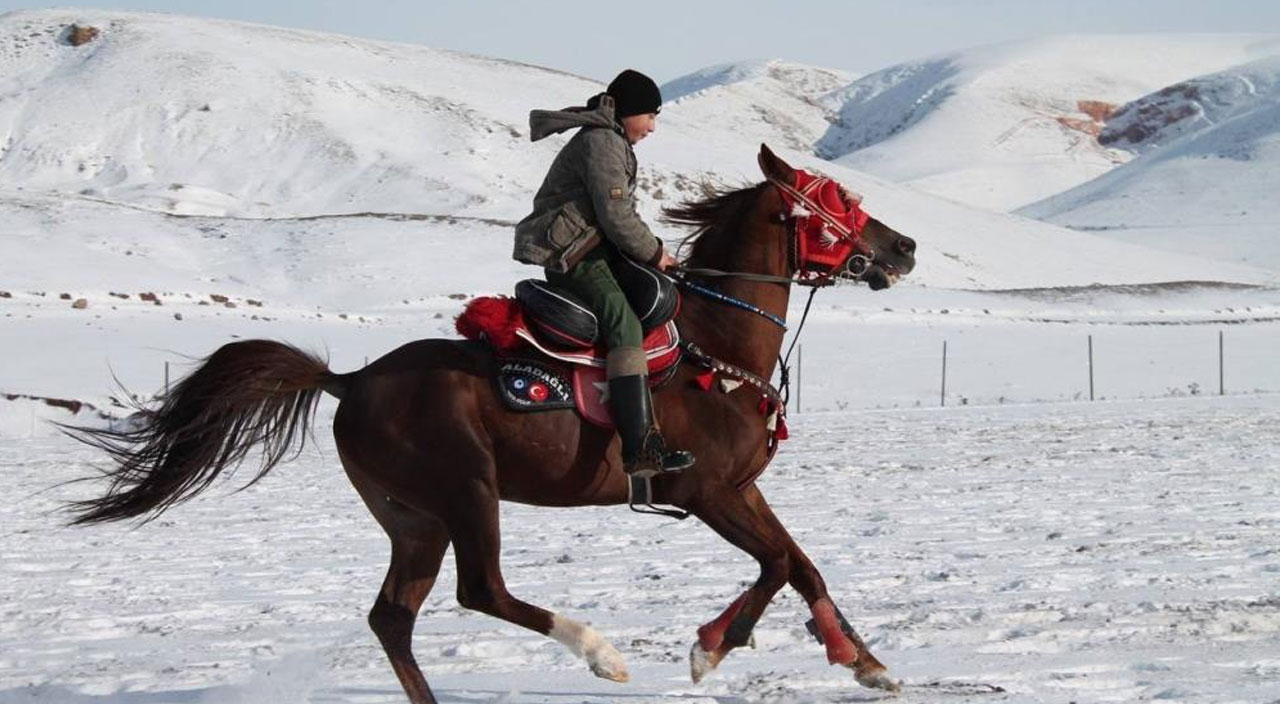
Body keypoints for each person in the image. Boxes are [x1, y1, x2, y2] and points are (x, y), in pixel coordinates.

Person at [513, 69, 695, 478]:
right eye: (649, 116)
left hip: (596, 253)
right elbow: (615, 215)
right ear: (628, 111)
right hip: (576, 259)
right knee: (624, 324)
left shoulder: (611, 140)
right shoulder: (602, 142)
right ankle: (640, 448)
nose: (652, 127)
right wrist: (655, 253)